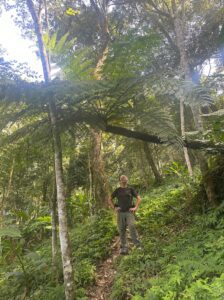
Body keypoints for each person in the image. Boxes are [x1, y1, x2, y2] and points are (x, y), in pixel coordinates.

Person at [108, 175, 142, 254]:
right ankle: (124, 248)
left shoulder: (131, 189)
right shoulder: (117, 190)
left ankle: (138, 245)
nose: (124, 180)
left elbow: (139, 198)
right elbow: (109, 199)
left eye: (125, 178)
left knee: (132, 226)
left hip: (129, 212)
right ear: (120, 181)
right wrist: (114, 208)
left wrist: (135, 207)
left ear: (127, 179)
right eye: (122, 179)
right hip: (120, 213)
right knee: (121, 229)